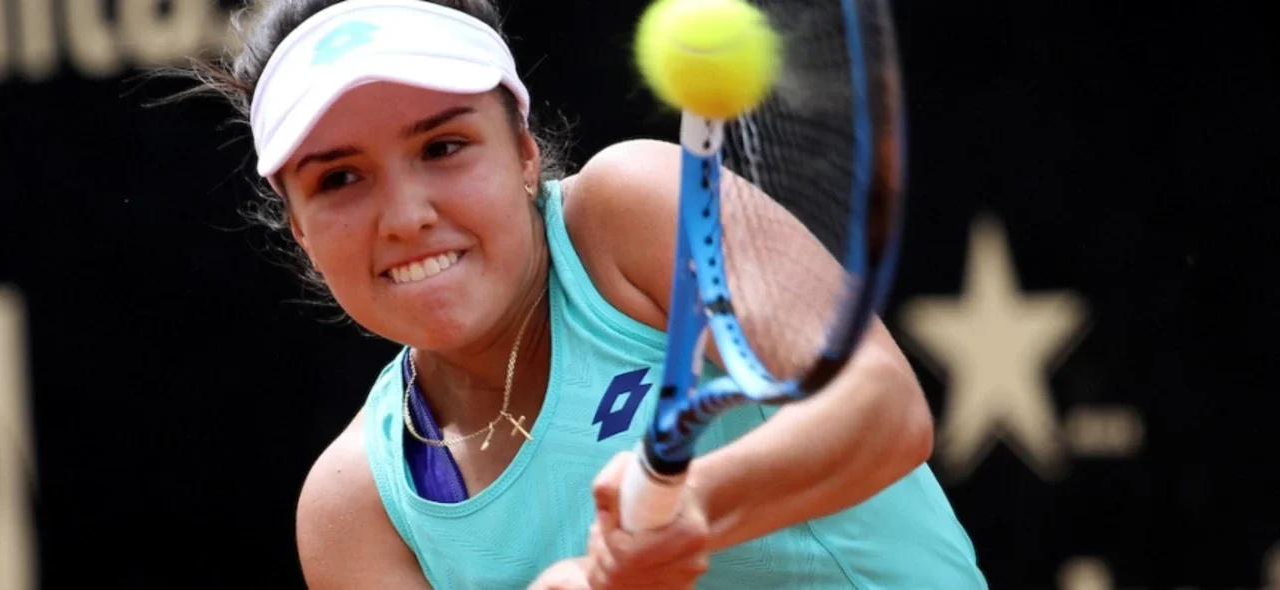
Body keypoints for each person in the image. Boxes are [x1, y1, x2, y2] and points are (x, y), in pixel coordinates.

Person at [187, 0, 987, 587]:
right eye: (340, 178)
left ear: (526, 155)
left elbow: (884, 410)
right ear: (298, 230)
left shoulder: (628, 208)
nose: (405, 217)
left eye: (444, 145)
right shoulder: (350, 508)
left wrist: (692, 502)